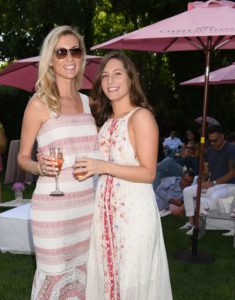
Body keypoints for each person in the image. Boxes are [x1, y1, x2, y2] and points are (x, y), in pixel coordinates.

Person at [73, 52, 172, 299]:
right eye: (105, 76)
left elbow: (148, 172)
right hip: (105, 214)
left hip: (134, 215)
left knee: (133, 281)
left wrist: (101, 166)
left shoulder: (141, 116)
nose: (110, 80)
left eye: (117, 73)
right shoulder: (106, 122)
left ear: (130, 79)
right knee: (109, 278)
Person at [17, 26, 98, 299]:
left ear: (82, 55)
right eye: (61, 52)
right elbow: (22, 157)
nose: (69, 57)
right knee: (53, 277)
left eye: (75, 50)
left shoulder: (89, 103)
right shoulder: (39, 104)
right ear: (50, 59)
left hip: (86, 206)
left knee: (82, 278)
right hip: (52, 210)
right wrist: (39, 168)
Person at [180, 125, 235, 235]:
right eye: (210, 141)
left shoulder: (231, 150)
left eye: (215, 140)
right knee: (187, 191)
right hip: (214, 184)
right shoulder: (210, 151)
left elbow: (234, 172)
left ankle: (201, 226)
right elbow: (207, 172)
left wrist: (213, 183)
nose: (212, 143)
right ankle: (191, 222)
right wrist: (203, 181)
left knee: (214, 197)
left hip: (229, 184)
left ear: (222, 136)